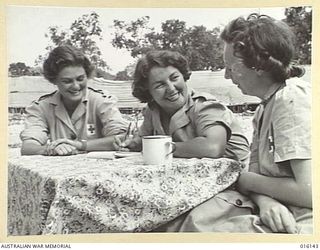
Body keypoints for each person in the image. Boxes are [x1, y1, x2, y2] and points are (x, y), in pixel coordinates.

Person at [113, 50, 256, 232]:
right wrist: (131, 144)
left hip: (231, 187)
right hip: (187, 187)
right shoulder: (153, 111)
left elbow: (213, 148)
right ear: (148, 92)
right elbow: (143, 139)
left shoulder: (206, 106)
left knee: (175, 227)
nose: (171, 88)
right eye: (159, 85)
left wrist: (162, 147)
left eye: (174, 78)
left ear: (184, 76)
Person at [219, 13, 312, 233]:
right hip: (281, 207)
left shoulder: (291, 99)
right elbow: (256, 174)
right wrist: (266, 201)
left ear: (258, 66)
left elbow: (310, 191)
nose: (225, 76)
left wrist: (247, 181)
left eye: (230, 67)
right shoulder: (264, 108)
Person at [20, 45, 128, 156]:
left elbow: (121, 138)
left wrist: (80, 145)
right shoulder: (41, 107)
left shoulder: (101, 101)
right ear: (54, 80)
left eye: (80, 79)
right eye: (67, 81)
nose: (76, 86)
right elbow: (28, 147)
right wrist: (50, 149)